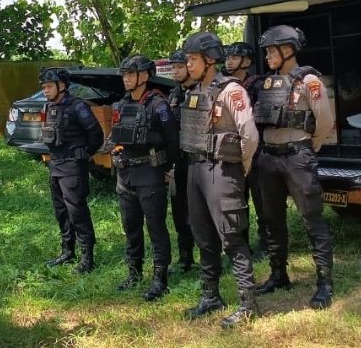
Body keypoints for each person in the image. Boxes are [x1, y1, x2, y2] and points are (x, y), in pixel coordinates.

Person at [249, 25, 336, 309]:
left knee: (312, 218)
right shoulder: (267, 83)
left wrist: (309, 147)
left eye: (271, 51)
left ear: (287, 50)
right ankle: (278, 275)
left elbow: (325, 121)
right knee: (272, 219)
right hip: (268, 158)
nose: (267, 56)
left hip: (297, 156)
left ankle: (324, 283)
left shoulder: (310, 81)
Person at [178, 31, 260, 328]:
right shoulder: (194, 91)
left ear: (210, 60)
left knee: (232, 237)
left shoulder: (230, 90)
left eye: (193, 59)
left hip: (222, 170)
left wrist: (242, 167)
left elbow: (249, 134)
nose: (188, 65)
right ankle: (210, 296)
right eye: (187, 60)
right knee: (203, 236)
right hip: (196, 169)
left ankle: (248, 304)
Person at [108, 54, 179, 301]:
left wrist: (166, 168)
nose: (126, 78)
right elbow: (115, 137)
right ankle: (134, 272)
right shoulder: (121, 104)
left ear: (145, 76)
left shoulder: (158, 105)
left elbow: (172, 141)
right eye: (124, 74)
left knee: (156, 227)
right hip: (125, 174)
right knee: (131, 227)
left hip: (150, 172)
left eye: (131, 74)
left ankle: (160, 278)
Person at [39, 67, 104, 274]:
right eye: (44, 87)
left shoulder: (77, 106)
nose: (45, 90)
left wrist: (84, 154)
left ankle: (87, 256)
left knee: (77, 211)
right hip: (55, 165)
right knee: (61, 211)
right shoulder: (49, 107)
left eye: (49, 86)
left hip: (73, 167)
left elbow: (96, 134)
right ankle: (68, 251)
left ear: (62, 86)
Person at [225, 40, 270, 259]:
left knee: (262, 201)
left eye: (234, 57)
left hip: (257, 152)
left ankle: (267, 244)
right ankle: (242, 245)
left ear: (247, 61)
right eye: (228, 57)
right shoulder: (225, 86)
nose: (229, 61)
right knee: (237, 202)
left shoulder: (258, 85)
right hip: (233, 153)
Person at [165, 49, 196, 273]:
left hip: (200, 161)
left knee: (203, 210)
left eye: (179, 67)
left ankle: (213, 256)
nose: (175, 71)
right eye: (173, 67)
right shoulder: (173, 95)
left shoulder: (204, 91)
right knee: (179, 211)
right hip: (179, 162)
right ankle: (185, 257)